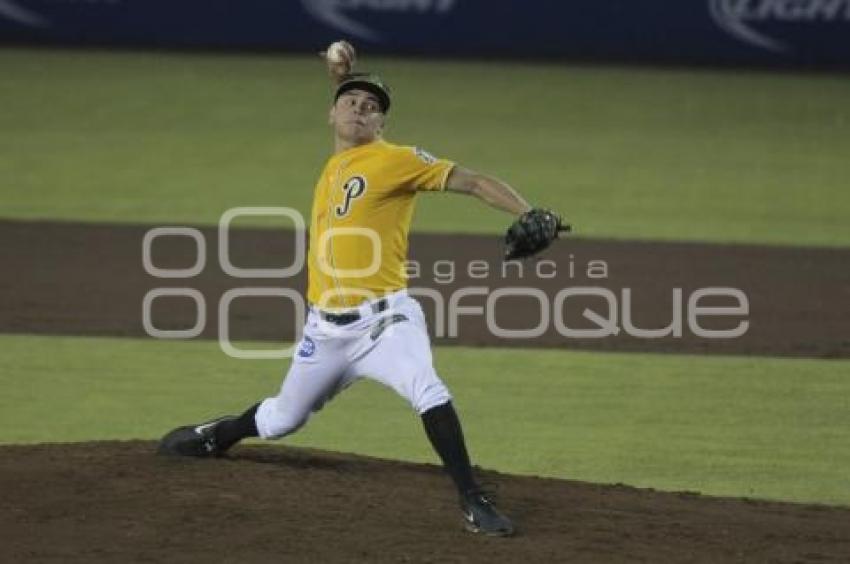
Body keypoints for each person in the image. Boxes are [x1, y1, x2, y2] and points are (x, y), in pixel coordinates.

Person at [159, 41, 564, 537]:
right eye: (351, 103)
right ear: (331, 114)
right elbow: (347, 116)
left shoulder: (397, 161)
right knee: (283, 419)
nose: (359, 109)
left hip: (385, 321)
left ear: (382, 126)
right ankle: (215, 436)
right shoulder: (337, 160)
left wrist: (526, 211)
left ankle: (472, 499)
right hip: (323, 330)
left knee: (427, 387)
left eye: (371, 108)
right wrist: (344, 78)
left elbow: (472, 181)